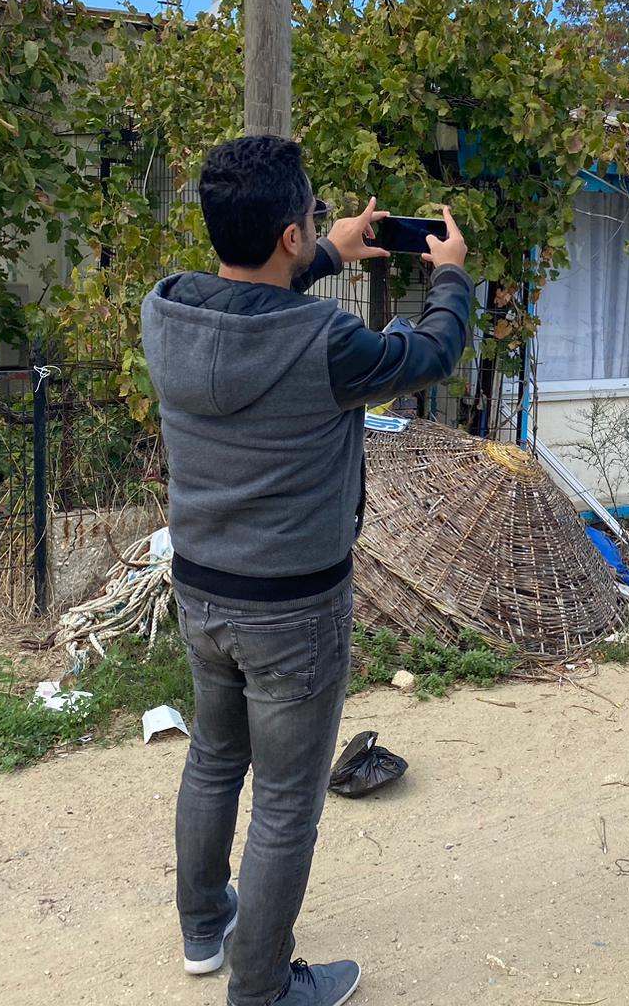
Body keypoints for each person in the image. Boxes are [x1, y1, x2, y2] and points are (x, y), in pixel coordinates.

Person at [141, 135, 471, 1006]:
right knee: (287, 805)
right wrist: (450, 278)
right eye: (314, 219)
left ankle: (205, 931)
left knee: (215, 761)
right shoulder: (325, 343)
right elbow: (429, 356)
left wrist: (331, 248)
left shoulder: (164, 311)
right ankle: (262, 990)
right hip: (294, 610)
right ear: (288, 233)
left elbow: (248, 304)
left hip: (204, 588)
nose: (322, 228)